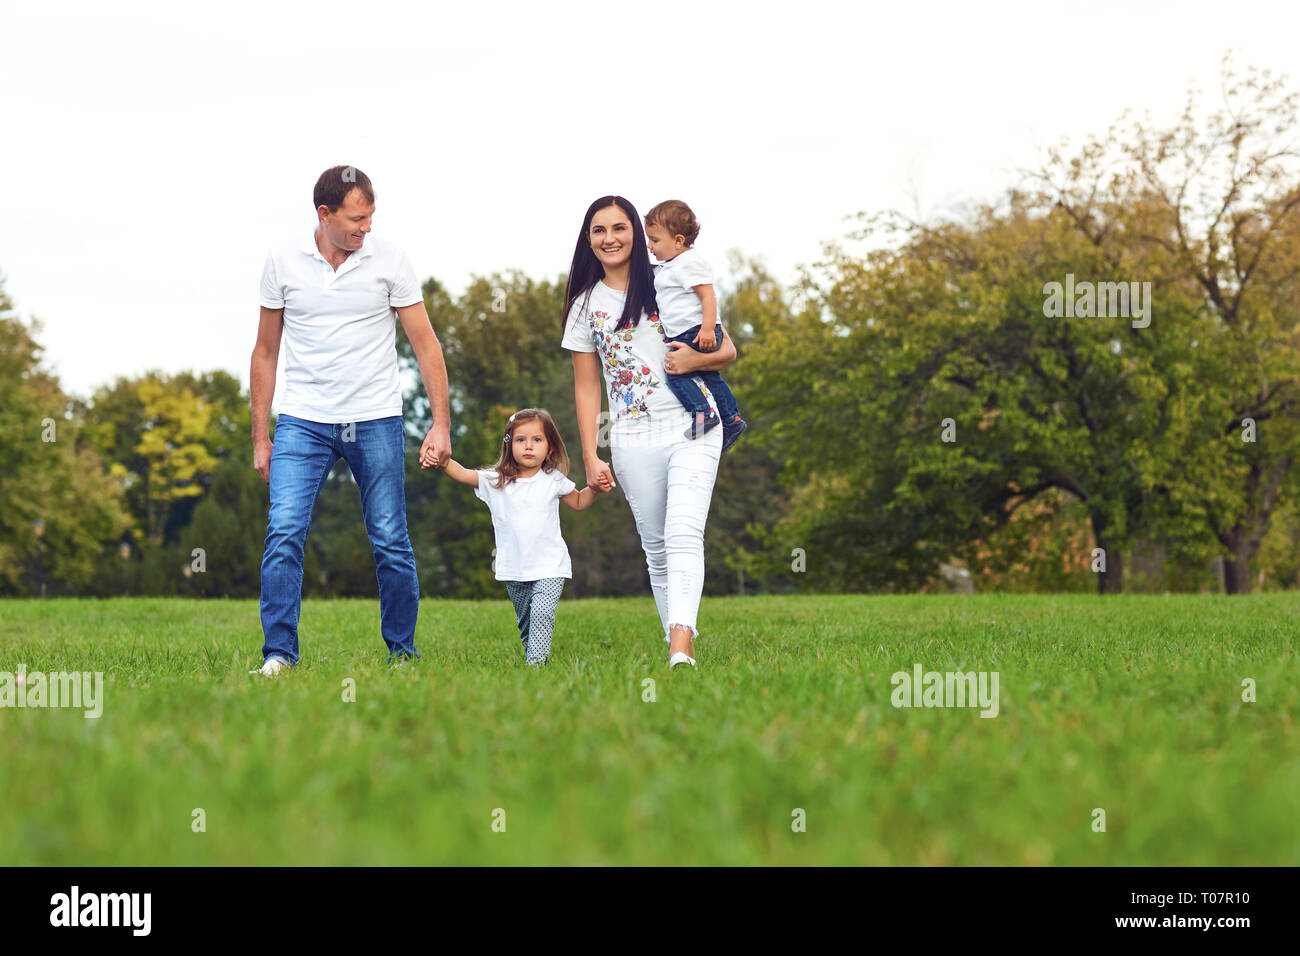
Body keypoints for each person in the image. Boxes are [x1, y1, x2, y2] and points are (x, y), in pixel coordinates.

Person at [249, 165, 452, 676]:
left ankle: (402, 653)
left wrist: (441, 424)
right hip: (303, 420)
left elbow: (425, 345)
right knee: (284, 531)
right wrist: (261, 437)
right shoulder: (282, 261)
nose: (366, 229)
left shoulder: (390, 261)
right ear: (325, 214)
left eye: (370, 218)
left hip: (376, 417)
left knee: (389, 536)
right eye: (357, 219)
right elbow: (265, 352)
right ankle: (278, 655)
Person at [561, 196, 737, 669]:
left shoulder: (667, 279)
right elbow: (586, 387)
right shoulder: (584, 305)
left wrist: (694, 359)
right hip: (631, 437)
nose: (610, 238)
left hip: (692, 423)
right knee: (656, 548)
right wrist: (591, 456)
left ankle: (682, 648)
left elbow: (726, 351)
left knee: (684, 532)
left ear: (637, 234)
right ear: (588, 239)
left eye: (620, 228)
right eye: (599, 230)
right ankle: (678, 642)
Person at [420, 408, 603, 665]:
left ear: (550, 448)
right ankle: (536, 657)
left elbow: (580, 501)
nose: (529, 447)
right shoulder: (496, 481)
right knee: (527, 622)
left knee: (541, 612)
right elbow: (462, 474)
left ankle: (536, 666)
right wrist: (442, 460)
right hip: (513, 568)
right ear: (509, 445)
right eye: (520, 440)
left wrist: (594, 488)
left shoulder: (553, 480)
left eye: (537, 440)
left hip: (551, 565)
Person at [644, 199, 746, 450]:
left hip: (696, 331)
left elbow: (708, 296)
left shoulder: (689, 262)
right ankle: (731, 418)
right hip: (692, 331)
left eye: (655, 240)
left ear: (678, 241)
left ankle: (703, 413)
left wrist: (708, 328)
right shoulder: (671, 265)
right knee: (710, 377)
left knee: (675, 374)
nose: (650, 246)